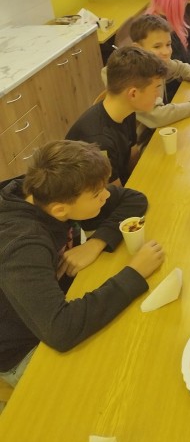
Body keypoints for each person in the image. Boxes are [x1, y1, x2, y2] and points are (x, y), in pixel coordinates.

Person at [0, 140, 164, 387]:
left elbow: (134, 199)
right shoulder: (22, 245)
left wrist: (96, 243)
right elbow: (61, 330)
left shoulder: (49, 190)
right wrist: (134, 273)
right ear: (60, 210)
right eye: (97, 195)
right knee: (125, 374)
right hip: (23, 347)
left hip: (59, 303)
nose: (106, 195)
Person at [66, 46, 168, 186]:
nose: (158, 96)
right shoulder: (100, 141)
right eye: (156, 88)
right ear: (133, 94)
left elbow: (132, 157)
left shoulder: (126, 110)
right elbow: (113, 193)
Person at [126, 14, 190, 146]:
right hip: (142, 143)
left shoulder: (155, 63)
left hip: (158, 131)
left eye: (168, 44)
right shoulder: (134, 76)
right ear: (137, 48)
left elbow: (180, 68)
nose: (166, 52)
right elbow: (157, 116)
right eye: (157, 47)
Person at [146, 0, 190, 68]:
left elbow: (188, 61)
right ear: (174, 0)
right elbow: (177, 70)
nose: (185, 3)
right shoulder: (160, 30)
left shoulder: (169, 20)